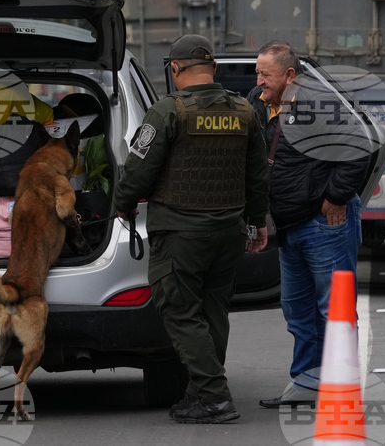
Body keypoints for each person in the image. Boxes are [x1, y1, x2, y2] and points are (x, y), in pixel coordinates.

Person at [113, 34, 269, 424]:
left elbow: (138, 171)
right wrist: (256, 222)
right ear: (213, 68)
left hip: (181, 233)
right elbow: (257, 175)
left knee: (180, 310)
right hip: (229, 230)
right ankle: (200, 393)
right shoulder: (244, 111)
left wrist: (121, 205)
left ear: (176, 69)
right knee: (213, 310)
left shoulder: (169, 111)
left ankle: (215, 397)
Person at [249, 41, 369, 408]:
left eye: (264, 74)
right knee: (298, 311)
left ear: (289, 75)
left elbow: (358, 147)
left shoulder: (319, 103)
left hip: (323, 225)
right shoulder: (260, 102)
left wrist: (335, 198)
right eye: (257, 72)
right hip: (290, 227)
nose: (258, 80)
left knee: (333, 310)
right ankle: (306, 384)